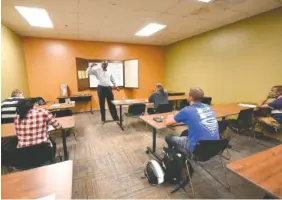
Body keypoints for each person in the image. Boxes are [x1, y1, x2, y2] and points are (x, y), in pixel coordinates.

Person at [165, 87, 220, 153]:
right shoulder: (208, 107)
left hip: (197, 149)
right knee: (185, 132)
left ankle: (172, 154)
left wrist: (170, 116)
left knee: (168, 137)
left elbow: (168, 123)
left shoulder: (187, 110)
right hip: (215, 146)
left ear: (190, 98)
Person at [1, 89, 24, 166]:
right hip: (23, 134)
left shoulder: (2, 103)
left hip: (6, 139)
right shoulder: (24, 101)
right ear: (20, 94)